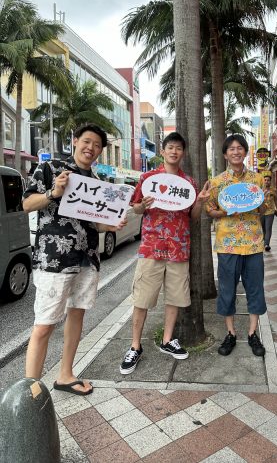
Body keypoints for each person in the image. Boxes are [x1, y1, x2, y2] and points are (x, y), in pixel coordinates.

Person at [23, 124, 126, 396]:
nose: (90, 148)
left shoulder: (96, 182)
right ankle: (30, 391)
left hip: (87, 258)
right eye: (87, 141)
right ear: (75, 141)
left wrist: (111, 226)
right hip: (54, 259)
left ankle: (65, 375)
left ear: (101, 151)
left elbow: (94, 224)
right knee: (45, 323)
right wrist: (52, 193)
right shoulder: (52, 168)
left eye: (97, 145)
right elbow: (27, 204)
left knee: (77, 315)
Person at [120, 132, 210, 374]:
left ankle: (167, 339)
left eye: (178, 148)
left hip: (179, 247)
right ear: (163, 151)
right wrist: (142, 205)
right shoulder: (148, 178)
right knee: (142, 297)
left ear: (183, 153)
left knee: (175, 295)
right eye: (170, 147)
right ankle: (135, 346)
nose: (174, 151)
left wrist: (200, 201)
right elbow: (136, 209)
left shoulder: (189, 184)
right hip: (152, 246)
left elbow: (193, 217)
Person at [205, 134, 266, 357]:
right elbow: (209, 209)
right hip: (227, 245)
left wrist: (262, 201)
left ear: (245, 152)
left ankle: (252, 333)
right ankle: (230, 333)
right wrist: (223, 212)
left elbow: (263, 209)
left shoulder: (257, 180)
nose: (236, 151)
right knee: (227, 290)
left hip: (253, 245)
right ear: (225, 154)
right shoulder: (217, 182)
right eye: (231, 148)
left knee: (255, 289)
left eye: (240, 148)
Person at [261, 172, 277, 252]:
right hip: (261, 212)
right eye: (265, 180)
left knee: (268, 228)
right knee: (262, 228)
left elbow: (276, 200)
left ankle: (266, 244)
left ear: (270, 181)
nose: (266, 181)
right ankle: (263, 242)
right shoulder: (259, 190)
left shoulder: (273, 190)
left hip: (270, 212)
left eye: (268, 180)